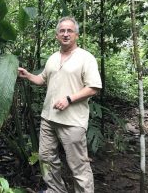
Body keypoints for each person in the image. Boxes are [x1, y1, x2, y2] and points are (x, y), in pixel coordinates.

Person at [18, 16, 102, 193]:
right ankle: (56, 190)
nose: (65, 34)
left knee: (78, 166)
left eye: (69, 31)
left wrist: (69, 99)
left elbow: (93, 87)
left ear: (76, 35)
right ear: (56, 35)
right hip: (49, 118)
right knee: (46, 158)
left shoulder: (85, 58)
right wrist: (27, 75)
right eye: (62, 31)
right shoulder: (53, 58)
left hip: (72, 122)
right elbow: (43, 79)